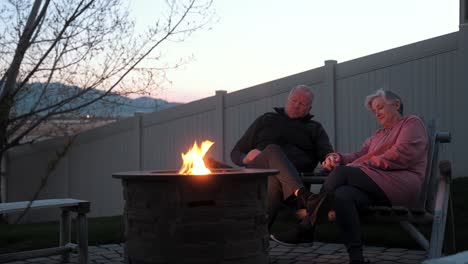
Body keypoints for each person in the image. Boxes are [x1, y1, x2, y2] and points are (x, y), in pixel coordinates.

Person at [272, 89, 429, 264]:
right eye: (374, 110)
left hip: (402, 184)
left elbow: (401, 155)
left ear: (396, 105)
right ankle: (356, 259)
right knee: (343, 195)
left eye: (380, 107)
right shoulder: (378, 135)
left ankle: (307, 226)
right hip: (377, 186)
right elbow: (358, 155)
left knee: (342, 173)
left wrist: (355, 166)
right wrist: (338, 158)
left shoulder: (411, 123)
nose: (376, 112)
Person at [230, 84, 334, 239]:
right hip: (257, 173)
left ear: (309, 108)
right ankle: (306, 197)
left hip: (286, 183)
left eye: (302, 104)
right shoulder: (266, 120)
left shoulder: (314, 128)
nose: (297, 105)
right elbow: (235, 152)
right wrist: (245, 158)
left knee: (273, 178)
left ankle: (256, 239)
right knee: (272, 150)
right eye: (294, 100)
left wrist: (330, 159)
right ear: (287, 99)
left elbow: (327, 154)